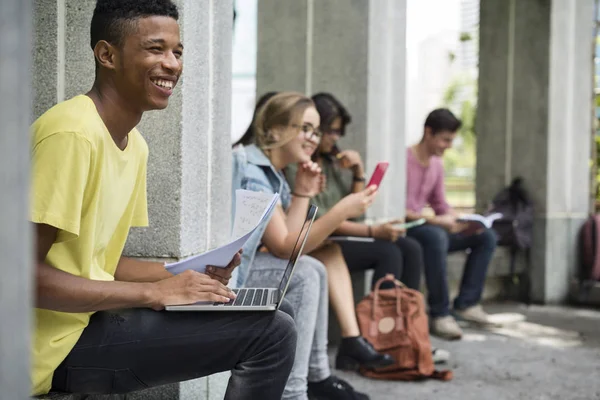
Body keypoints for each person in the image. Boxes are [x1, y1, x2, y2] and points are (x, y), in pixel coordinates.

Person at [30, 1, 296, 398]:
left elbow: (100, 260)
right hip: (47, 345)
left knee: (274, 313)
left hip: (84, 322)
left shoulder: (133, 144)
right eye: (155, 49)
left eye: (177, 51)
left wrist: (187, 274)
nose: (172, 64)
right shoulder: (71, 133)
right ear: (107, 55)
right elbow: (18, 278)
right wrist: (154, 292)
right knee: (271, 333)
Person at [232, 92, 392, 400]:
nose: (313, 138)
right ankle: (295, 393)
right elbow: (284, 246)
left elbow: (288, 243)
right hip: (226, 278)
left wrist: (304, 192)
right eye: (305, 128)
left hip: (244, 267)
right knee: (305, 273)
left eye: (316, 131)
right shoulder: (253, 169)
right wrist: (340, 211)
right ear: (274, 130)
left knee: (314, 266)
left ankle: (316, 377)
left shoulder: (272, 171)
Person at [287, 92, 449, 364]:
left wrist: (359, 172)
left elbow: (355, 210)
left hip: (334, 235)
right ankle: (377, 339)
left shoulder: (330, 162)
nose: (333, 138)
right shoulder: (302, 165)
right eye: (331, 131)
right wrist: (375, 233)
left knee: (410, 247)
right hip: (318, 239)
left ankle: (404, 333)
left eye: (335, 132)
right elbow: (325, 221)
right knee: (390, 252)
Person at [405, 108, 498, 340]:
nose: (448, 145)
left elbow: (439, 203)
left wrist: (458, 220)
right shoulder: (404, 159)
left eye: (451, 140)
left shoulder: (436, 164)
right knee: (436, 236)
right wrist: (437, 220)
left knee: (485, 236)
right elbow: (396, 210)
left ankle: (467, 303)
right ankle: (440, 313)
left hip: (429, 226)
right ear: (428, 133)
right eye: (445, 139)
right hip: (407, 228)